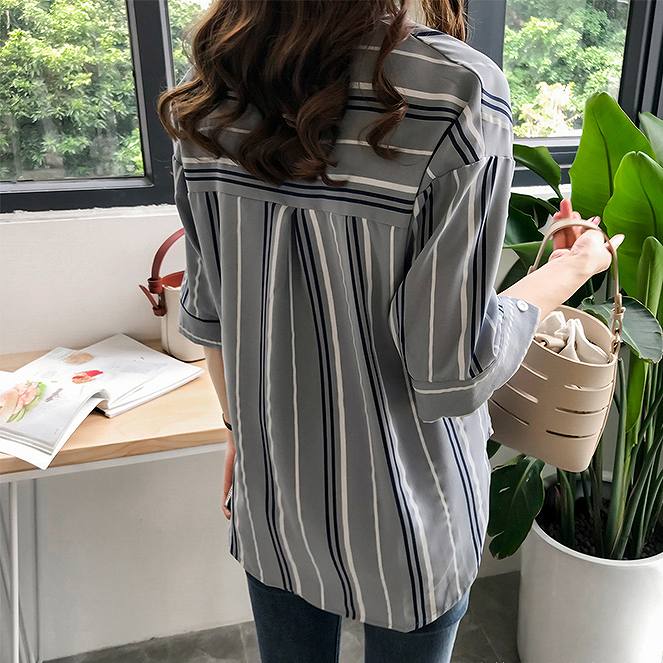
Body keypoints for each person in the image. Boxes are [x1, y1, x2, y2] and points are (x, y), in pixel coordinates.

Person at [158, 2, 624, 661]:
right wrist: (571, 269)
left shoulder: (219, 82)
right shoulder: (457, 91)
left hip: (277, 491)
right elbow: (451, 368)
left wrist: (240, 429)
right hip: (411, 510)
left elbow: (211, 313)